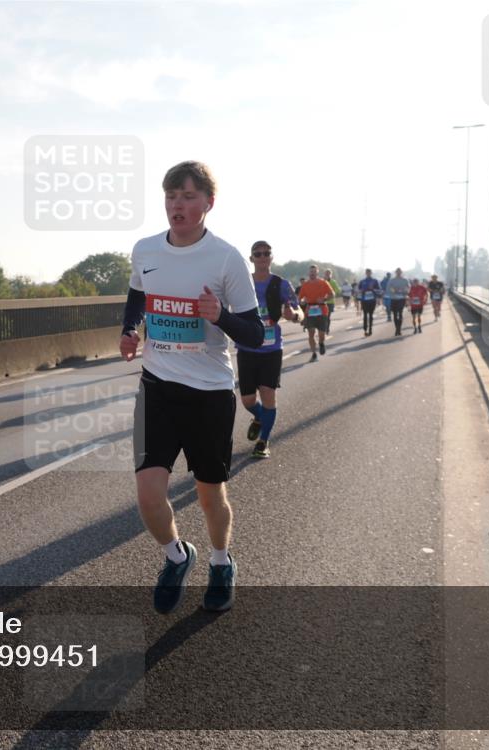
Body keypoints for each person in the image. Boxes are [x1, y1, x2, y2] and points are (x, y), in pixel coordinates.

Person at [119, 160, 263, 615]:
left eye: (186, 197)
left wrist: (219, 315)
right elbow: (137, 297)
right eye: (170, 196)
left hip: (209, 393)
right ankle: (177, 555)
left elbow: (255, 334)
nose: (176, 206)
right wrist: (130, 330)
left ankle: (221, 561)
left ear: (208, 203)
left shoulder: (226, 258)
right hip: (157, 387)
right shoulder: (145, 249)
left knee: (209, 494)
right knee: (147, 493)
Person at [236, 241, 299, 459]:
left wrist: (294, 315)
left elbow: (298, 310)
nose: (262, 257)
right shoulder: (243, 283)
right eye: (258, 254)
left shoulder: (281, 284)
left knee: (268, 394)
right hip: (247, 347)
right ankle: (260, 416)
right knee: (247, 400)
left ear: (271, 257)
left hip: (271, 349)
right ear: (251, 258)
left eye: (266, 253)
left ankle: (263, 441)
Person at [297, 265, 334, 361]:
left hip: (322, 310)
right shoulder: (305, 285)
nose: (312, 273)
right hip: (310, 311)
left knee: (321, 334)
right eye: (310, 271)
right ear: (308, 273)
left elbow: (332, 294)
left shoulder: (323, 282)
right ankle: (314, 353)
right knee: (311, 333)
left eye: (314, 271)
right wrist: (302, 301)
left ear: (317, 273)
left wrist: (325, 299)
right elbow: (300, 298)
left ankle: (321, 343)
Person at [387, 268, 411, 336]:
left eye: (399, 272)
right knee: (394, 314)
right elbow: (389, 288)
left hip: (401, 298)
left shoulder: (405, 280)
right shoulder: (392, 280)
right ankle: (396, 328)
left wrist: (404, 291)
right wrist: (394, 290)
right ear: (395, 272)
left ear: (401, 272)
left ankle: (399, 329)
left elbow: (408, 288)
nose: (398, 273)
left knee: (400, 313)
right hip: (394, 298)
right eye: (397, 272)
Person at [357, 269, 380, 335]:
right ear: (365, 273)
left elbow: (378, 289)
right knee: (365, 314)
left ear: (371, 273)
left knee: (370, 315)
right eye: (367, 272)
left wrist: (372, 289)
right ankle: (365, 329)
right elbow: (359, 289)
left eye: (369, 272)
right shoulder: (362, 281)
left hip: (372, 300)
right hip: (364, 300)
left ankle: (370, 329)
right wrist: (363, 290)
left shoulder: (374, 281)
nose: (368, 273)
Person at [323, 269, 341, 333]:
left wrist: (332, 294)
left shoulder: (333, 282)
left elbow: (338, 290)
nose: (327, 275)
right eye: (326, 274)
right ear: (324, 274)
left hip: (330, 302)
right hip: (323, 302)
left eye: (329, 274)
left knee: (327, 316)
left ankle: (327, 329)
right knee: (323, 317)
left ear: (331, 275)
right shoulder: (322, 281)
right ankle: (323, 329)